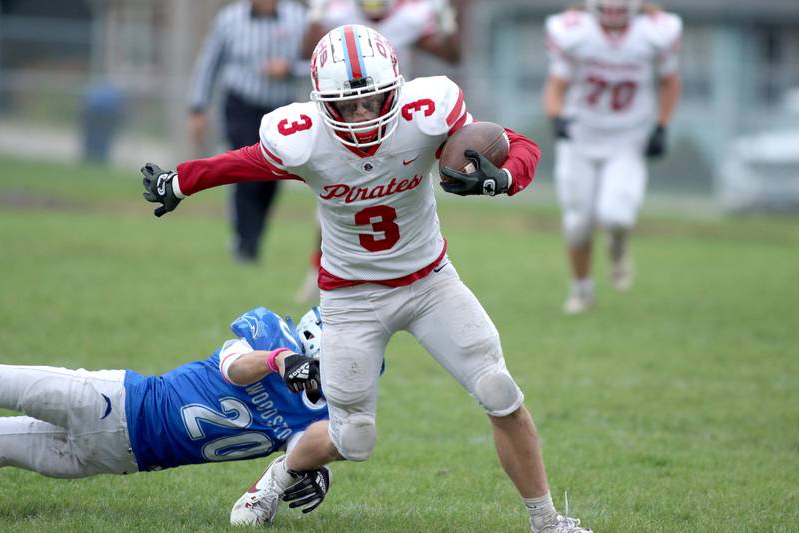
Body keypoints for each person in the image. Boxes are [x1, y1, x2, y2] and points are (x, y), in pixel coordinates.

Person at [142, 24, 592, 532]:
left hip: (429, 283)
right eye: (344, 107)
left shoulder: (427, 114)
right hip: (351, 298)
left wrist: (505, 177)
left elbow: (516, 142)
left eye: (370, 102)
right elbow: (240, 163)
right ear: (320, 104)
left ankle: (547, 522)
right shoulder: (305, 140)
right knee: (354, 438)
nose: (358, 117)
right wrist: (180, 180)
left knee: (499, 390)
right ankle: (277, 476)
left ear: (396, 90)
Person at [0, 306, 331, 525]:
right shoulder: (271, 334)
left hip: (114, 459)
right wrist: (280, 359)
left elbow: (244, 518)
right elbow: (234, 368)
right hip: (110, 400)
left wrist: (309, 469)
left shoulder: (314, 420)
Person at [293, 0, 462, 304]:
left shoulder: (411, 14)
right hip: (346, 125)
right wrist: (314, 20)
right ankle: (317, 273)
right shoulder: (337, 12)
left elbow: (451, 55)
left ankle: (419, 277)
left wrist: (447, 26)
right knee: (333, 206)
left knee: (413, 203)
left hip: (396, 128)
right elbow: (305, 52)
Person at [543, 0, 682, 314]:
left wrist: (661, 125)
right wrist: (556, 117)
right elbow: (555, 85)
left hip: (627, 137)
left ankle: (617, 246)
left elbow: (670, 82)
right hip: (581, 135)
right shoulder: (573, 31)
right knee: (578, 222)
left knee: (616, 216)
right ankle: (581, 291)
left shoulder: (655, 32)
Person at [188, 0, 307, 263]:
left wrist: (289, 70)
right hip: (241, 105)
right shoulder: (229, 19)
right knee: (246, 171)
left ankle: (252, 237)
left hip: (280, 110)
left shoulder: (298, 18)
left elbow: (313, 62)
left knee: (273, 176)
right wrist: (198, 107)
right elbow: (209, 63)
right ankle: (245, 243)